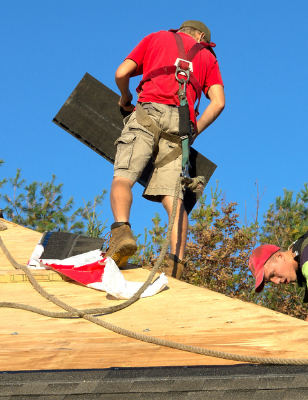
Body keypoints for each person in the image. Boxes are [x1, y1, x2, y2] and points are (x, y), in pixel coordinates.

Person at [107, 20, 225, 279]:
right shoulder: (207, 57)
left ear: (181, 30)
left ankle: (122, 232)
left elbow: (121, 72)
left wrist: (125, 97)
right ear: (202, 36)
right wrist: (193, 132)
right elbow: (218, 103)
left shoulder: (157, 37)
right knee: (175, 199)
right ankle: (175, 264)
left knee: (123, 178)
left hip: (147, 113)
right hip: (180, 127)